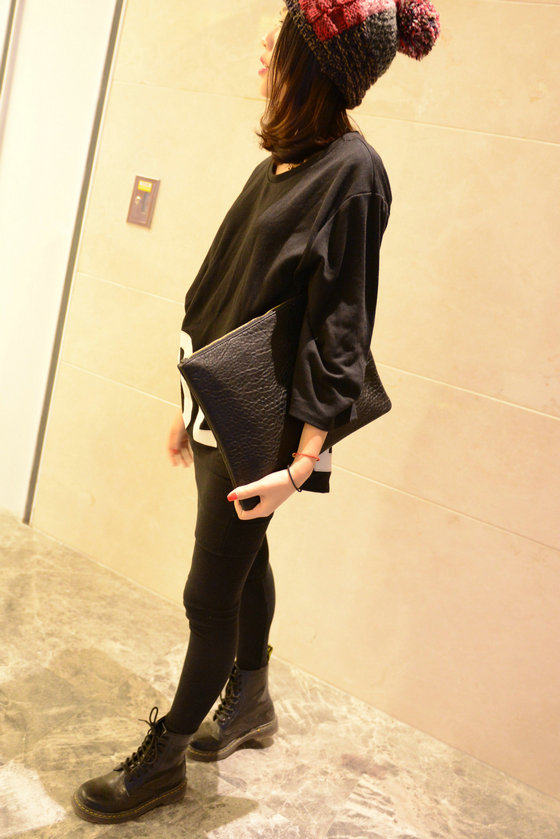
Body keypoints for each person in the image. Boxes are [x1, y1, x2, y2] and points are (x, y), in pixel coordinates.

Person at [72, 0, 440, 824]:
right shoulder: (286, 159)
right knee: (245, 560)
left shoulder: (353, 172)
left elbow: (342, 326)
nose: (264, 43)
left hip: (265, 430)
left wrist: (300, 466)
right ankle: (252, 699)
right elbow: (232, 293)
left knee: (209, 596)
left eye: (282, 34)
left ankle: (165, 758)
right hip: (225, 404)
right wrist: (189, 403)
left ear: (315, 66)